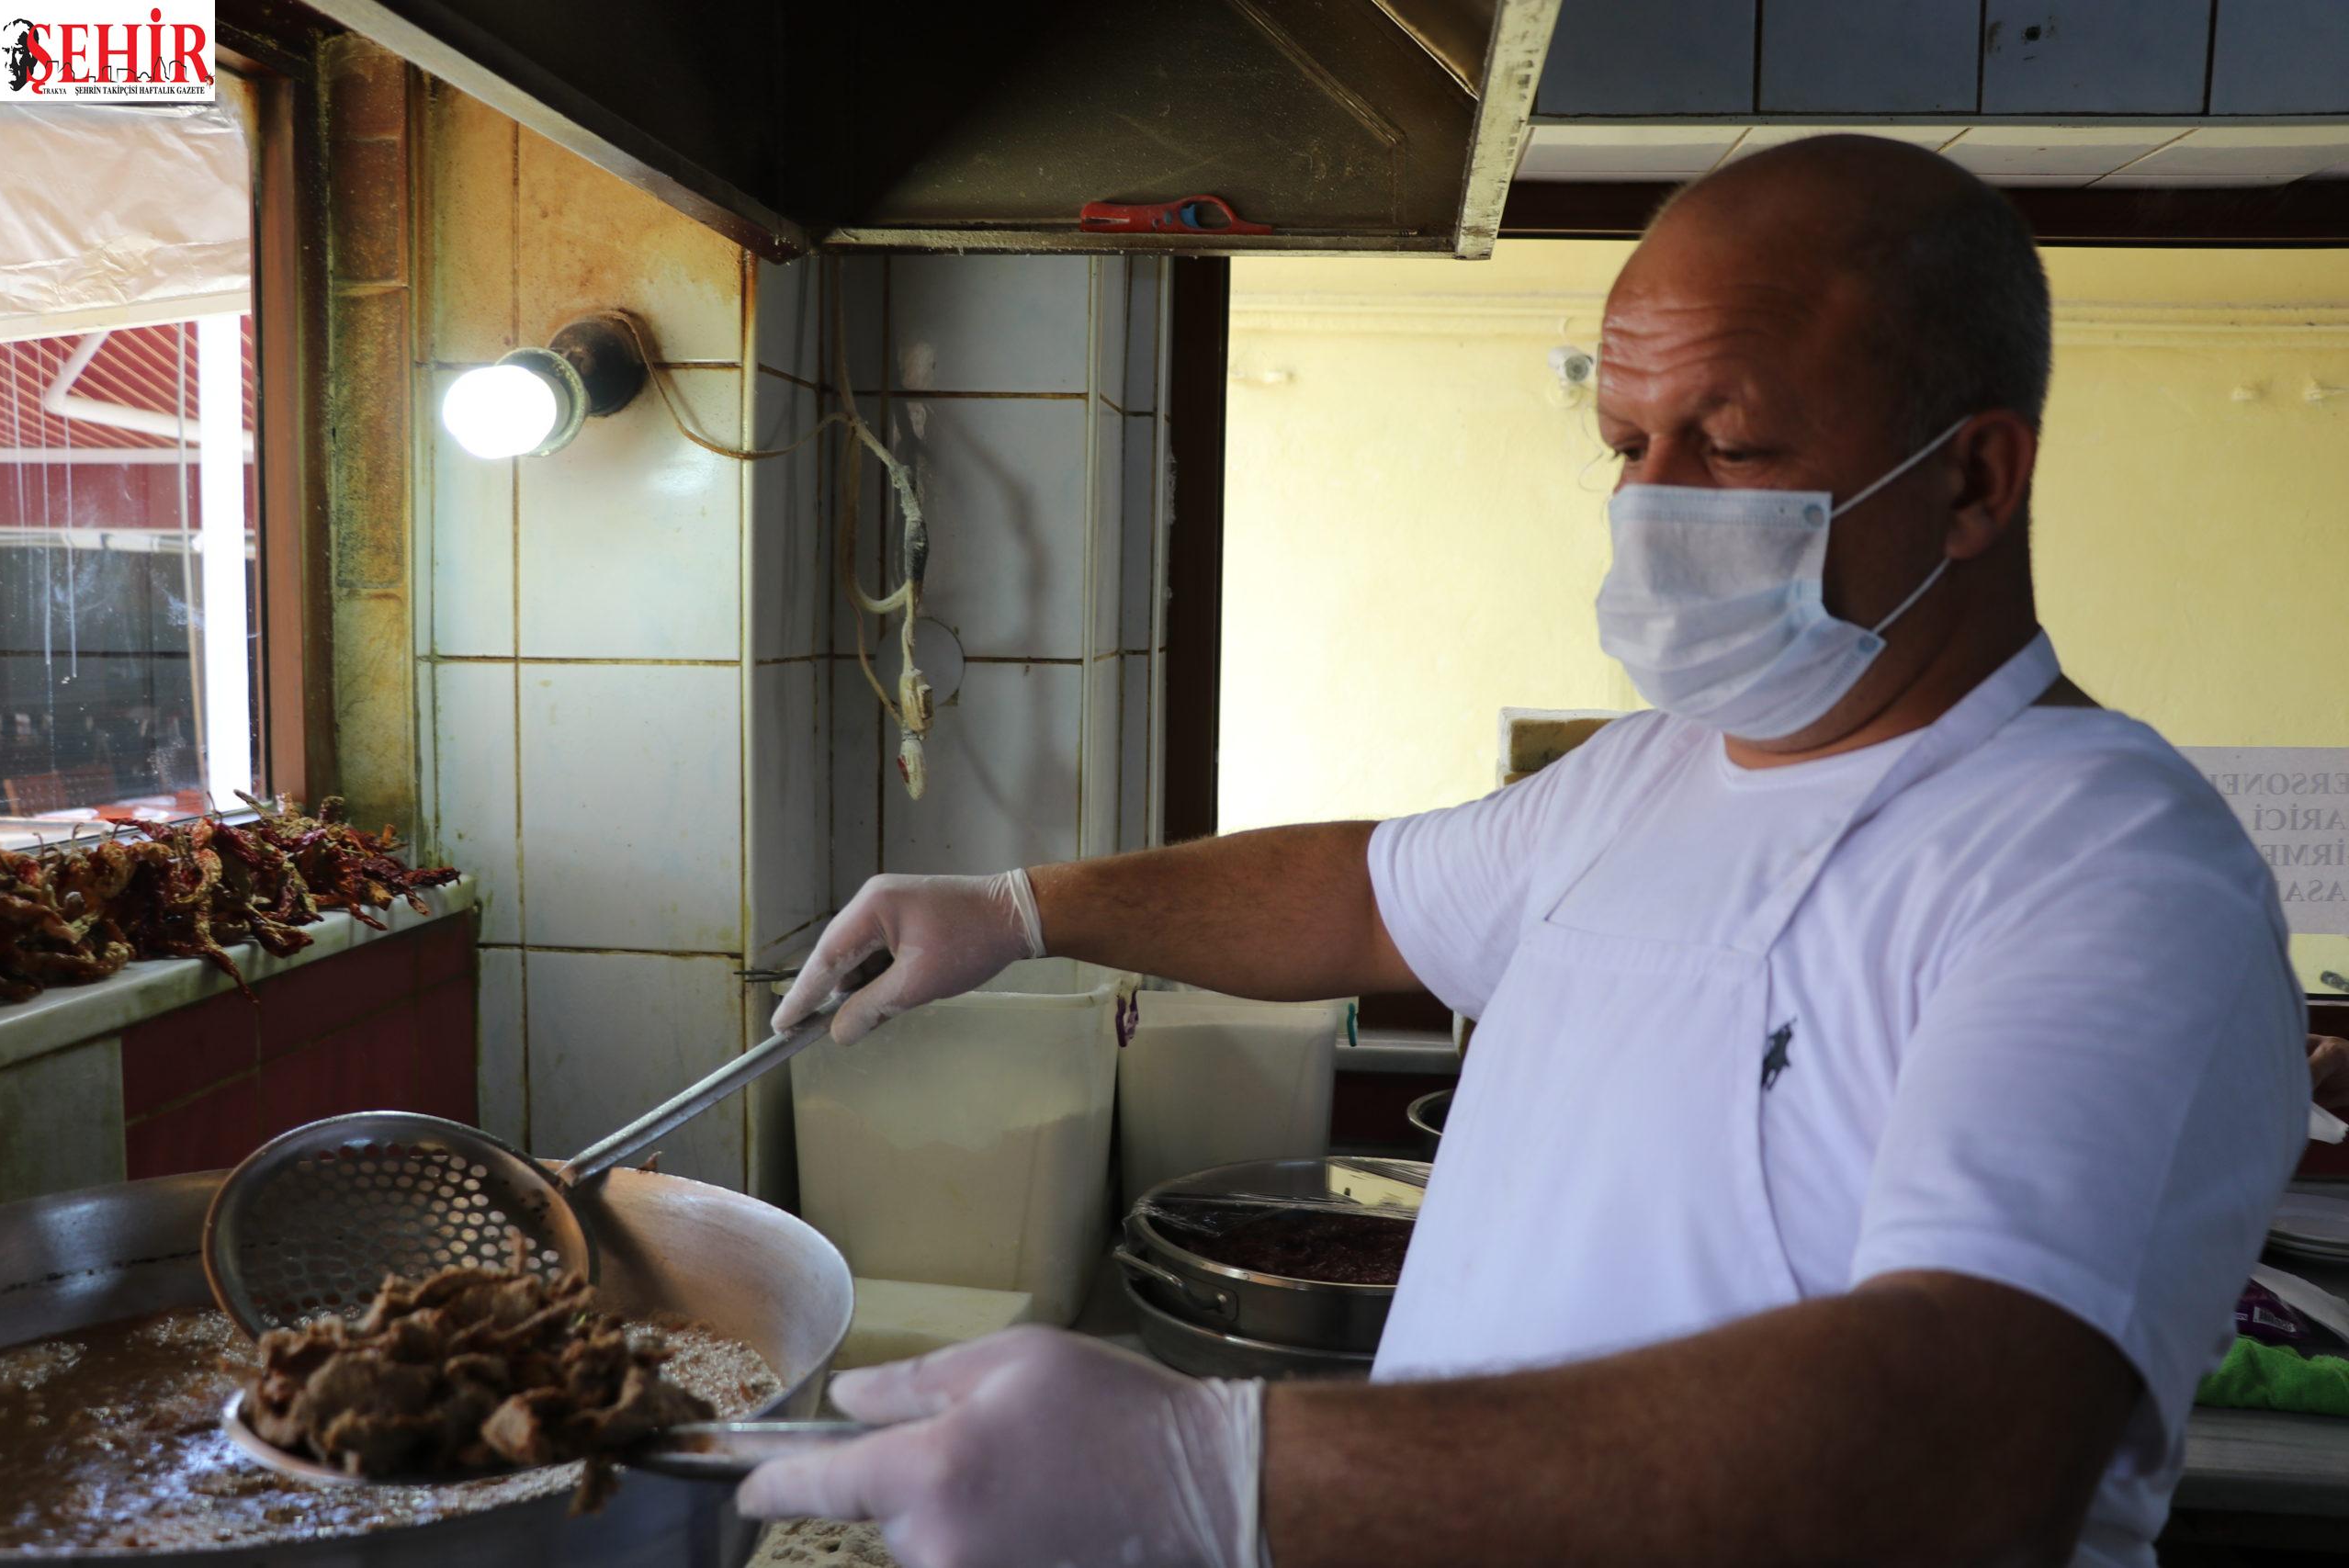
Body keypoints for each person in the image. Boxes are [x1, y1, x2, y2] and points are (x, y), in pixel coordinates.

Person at [738, 135, 2313, 1568]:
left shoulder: (2101, 871)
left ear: (1976, 479)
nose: (1649, 506)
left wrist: (1221, 1474)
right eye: (1626, 440)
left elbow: (1971, 1446)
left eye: (1732, 445)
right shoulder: (1644, 780)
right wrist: (1024, 910)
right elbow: (1364, 892)